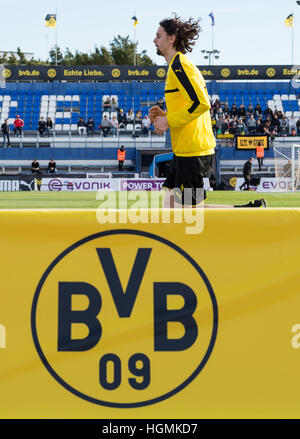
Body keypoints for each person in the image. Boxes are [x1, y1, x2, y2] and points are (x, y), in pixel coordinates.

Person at [150, 15, 266, 209]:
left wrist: (168, 121)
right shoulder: (177, 66)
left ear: (171, 38)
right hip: (184, 150)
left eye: (158, 35)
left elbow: (202, 103)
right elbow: (190, 104)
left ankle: (248, 210)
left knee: (190, 210)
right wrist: (166, 115)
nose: (154, 40)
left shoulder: (180, 66)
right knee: (169, 205)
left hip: (193, 150)